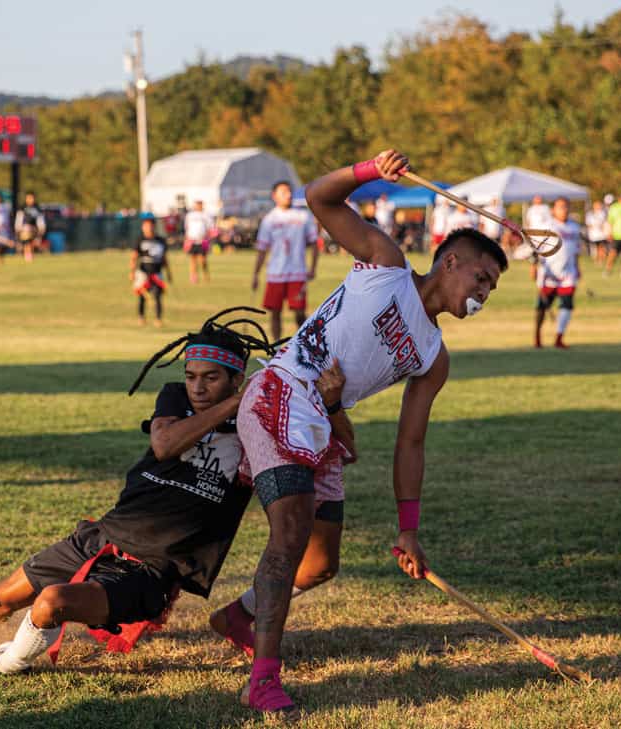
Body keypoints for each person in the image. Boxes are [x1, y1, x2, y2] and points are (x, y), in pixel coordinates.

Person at [212, 149, 507, 717]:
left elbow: (410, 442)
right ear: (449, 262)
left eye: (491, 287)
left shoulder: (434, 356)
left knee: (320, 563)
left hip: (320, 417)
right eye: (482, 277)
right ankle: (263, 680)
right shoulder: (386, 262)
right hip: (281, 389)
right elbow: (319, 197)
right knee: (290, 532)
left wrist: (409, 529)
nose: (485, 293)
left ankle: (239, 616)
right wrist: (370, 170)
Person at [0, 312, 291, 678]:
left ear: (237, 379)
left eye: (211, 378)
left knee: (53, 603)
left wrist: (322, 393)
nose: (198, 387)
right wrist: (233, 402)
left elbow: (327, 439)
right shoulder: (176, 399)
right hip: (104, 536)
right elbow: (164, 444)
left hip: (151, 570)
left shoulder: (256, 427)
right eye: (191, 376)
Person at [252, 181, 321, 341]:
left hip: (297, 272)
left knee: (299, 312)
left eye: (289, 192)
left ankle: (305, 344)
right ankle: (275, 348)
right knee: (275, 312)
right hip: (275, 273)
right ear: (274, 196)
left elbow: (314, 244)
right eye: (284, 192)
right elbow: (262, 249)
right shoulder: (269, 219)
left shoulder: (303, 216)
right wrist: (256, 274)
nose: (288, 195)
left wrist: (313, 268)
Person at [532, 197, 582, 349]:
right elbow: (534, 248)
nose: (564, 210)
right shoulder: (547, 226)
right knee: (542, 307)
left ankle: (559, 338)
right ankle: (537, 337)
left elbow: (576, 250)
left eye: (566, 207)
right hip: (549, 273)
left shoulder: (574, 227)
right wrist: (534, 267)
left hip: (568, 273)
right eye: (561, 207)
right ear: (553, 209)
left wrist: (578, 267)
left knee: (567, 305)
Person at [131, 214, 170, 327]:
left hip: (157, 272)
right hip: (143, 272)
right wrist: (132, 272)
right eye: (146, 226)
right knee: (142, 296)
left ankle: (158, 319)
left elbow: (164, 258)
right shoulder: (140, 240)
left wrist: (168, 273)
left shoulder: (160, 241)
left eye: (150, 225)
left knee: (158, 295)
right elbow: (134, 257)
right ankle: (141, 317)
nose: (148, 228)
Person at [183, 200, 214, 284]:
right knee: (193, 259)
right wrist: (186, 240)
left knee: (202, 260)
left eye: (200, 205)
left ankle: (205, 275)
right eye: (197, 205)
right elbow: (186, 227)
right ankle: (193, 277)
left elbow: (210, 228)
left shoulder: (206, 215)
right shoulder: (190, 215)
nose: (198, 207)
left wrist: (208, 238)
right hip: (192, 240)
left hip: (202, 240)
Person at [14, 193, 46, 262]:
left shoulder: (37, 208)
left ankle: (30, 255)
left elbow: (40, 219)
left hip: (35, 228)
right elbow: (19, 219)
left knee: (33, 242)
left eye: (32, 198)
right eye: (29, 198)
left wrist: (41, 228)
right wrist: (18, 228)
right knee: (26, 242)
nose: (30, 200)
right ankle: (27, 256)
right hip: (25, 228)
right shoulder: (22, 208)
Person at [585, 198, 609, 263]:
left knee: (602, 247)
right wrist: (593, 227)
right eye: (596, 205)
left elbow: (605, 223)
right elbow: (588, 224)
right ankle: (598, 259)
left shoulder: (603, 213)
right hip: (594, 235)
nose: (598, 206)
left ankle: (601, 259)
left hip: (602, 234)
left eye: (599, 205)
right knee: (596, 248)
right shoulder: (589, 214)